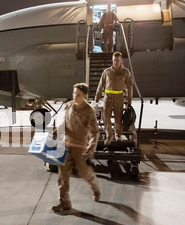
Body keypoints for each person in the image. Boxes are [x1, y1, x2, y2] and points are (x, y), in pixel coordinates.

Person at [52, 83, 101, 212]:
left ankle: (95, 187)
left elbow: (95, 131)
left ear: (84, 95)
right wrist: (58, 129)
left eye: (78, 94)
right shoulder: (68, 106)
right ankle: (64, 203)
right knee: (62, 176)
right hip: (66, 145)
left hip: (80, 147)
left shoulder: (89, 110)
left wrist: (91, 146)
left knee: (84, 172)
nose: (75, 96)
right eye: (74, 94)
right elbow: (65, 122)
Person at [94, 51, 133, 145]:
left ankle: (118, 135)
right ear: (112, 60)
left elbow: (129, 86)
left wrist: (129, 99)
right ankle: (109, 135)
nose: (116, 62)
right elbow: (101, 84)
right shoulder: (107, 72)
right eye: (114, 60)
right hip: (107, 97)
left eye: (118, 60)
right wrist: (97, 96)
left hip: (119, 96)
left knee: (118, 117)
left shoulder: (125, 72)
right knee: (105, 116)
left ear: (121, 60)